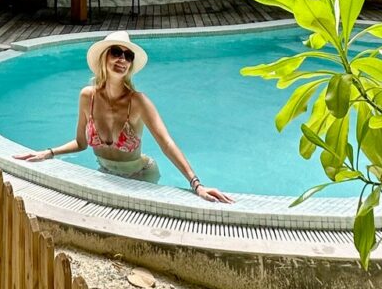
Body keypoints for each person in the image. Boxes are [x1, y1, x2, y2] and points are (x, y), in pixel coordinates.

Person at [18, 30, 232, 203]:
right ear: (104, 57)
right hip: (107, 173)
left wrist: (197, 185)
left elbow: (166, 143)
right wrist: (48, 153)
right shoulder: (87, 97)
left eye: (128, 56)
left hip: (141, 176)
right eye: (116, 53)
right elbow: (81, 143)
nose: (122, 59)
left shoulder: (138, 102)